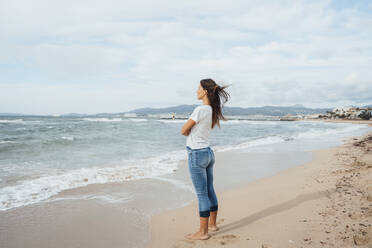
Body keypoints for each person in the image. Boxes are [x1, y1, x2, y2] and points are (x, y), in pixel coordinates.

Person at [181, 78, 230, 240]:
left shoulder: (200, 109)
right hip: (208, 153)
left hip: (196, 154)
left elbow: (184, 130)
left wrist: (188, 132)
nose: (196, 91)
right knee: (210, 190)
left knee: (202, 194)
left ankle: (202, 233)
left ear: (205, 92)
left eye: (198, 88)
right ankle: (213, 225)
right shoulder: (211, 111)